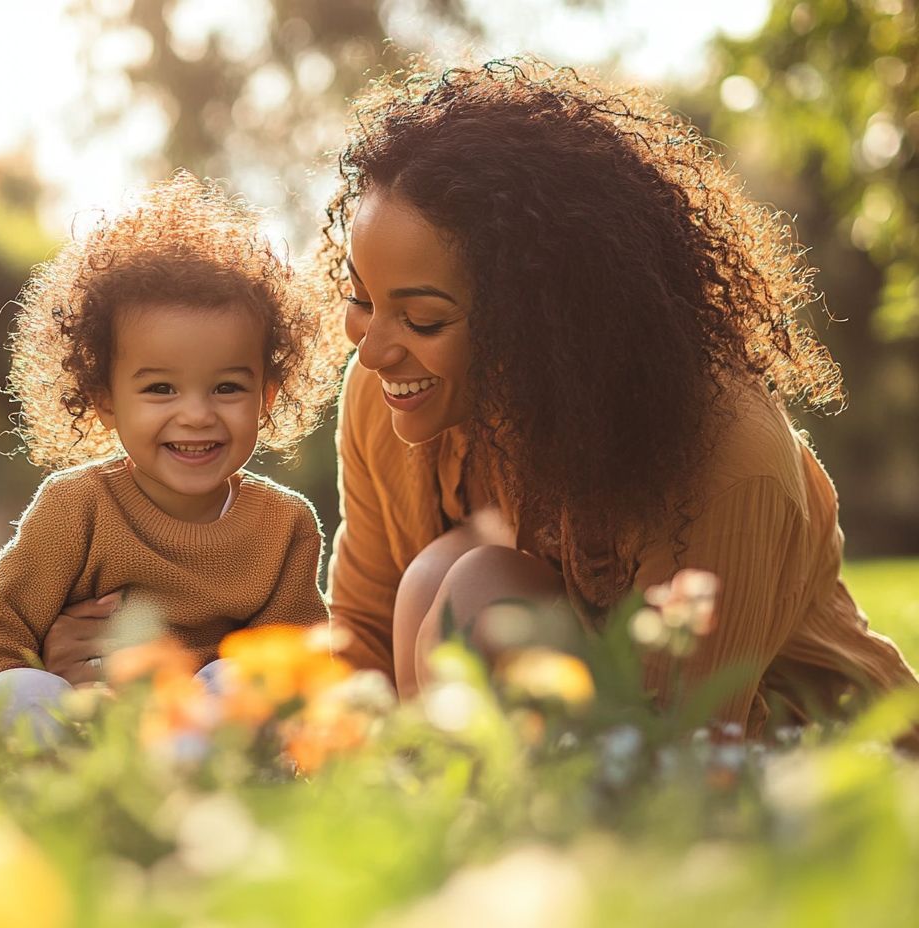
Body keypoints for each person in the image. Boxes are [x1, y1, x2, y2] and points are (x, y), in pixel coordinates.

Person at [46, 59, 917, 739]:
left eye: (420, 317)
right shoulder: (391, 404)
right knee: (448, 576)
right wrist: (185, 671)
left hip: (811, 765)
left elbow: (689, 744)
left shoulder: (725, 453)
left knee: (478, 589)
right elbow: (366, 639)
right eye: (360, 298)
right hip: (585, 743)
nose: (374, 347)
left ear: (544, 318)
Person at [0, 172, 344, 741]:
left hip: (202, 725)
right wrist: (44, 669)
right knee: (11, 693)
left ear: (266, 397)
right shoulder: (75, 507)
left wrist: (204, 691)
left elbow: (290, 662)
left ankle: (195, 774)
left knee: (241, 680)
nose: (196, 415)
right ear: (105, 399)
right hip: (88, 715)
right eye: (161, 389)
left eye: (227, 388)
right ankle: (65, 778)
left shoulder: (283, 524)